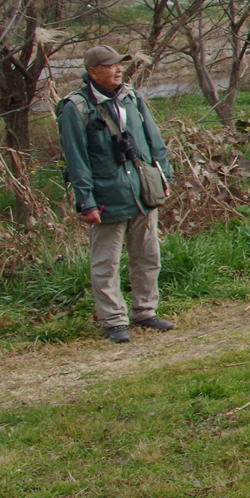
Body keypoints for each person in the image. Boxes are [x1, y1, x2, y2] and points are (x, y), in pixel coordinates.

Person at [57, 46, 174, 344]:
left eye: (120, 64)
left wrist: (163, 177)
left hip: (142, 191)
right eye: (110, 66)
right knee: (105, 264)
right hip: (106, 196)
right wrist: (86, 200)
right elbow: (76, 159)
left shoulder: (132, 97)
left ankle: (145, 312)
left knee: (148, 256)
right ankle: (114, 320)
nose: (118, 70)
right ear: (93, 72)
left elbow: (154, 140)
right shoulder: (75, 107)